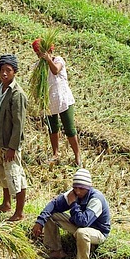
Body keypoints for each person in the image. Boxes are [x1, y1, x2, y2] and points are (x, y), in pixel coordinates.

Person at [30, 169, 111, 259]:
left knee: (82, 232)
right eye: (75, 188)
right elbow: (54, 204)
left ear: (88, 188)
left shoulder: (96, 199)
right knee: (51, 215)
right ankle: (56, 250)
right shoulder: (74, 193)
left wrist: (73, 203)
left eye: (81, 188)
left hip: (97, 232)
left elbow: (83, 222)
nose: (77, 191)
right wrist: (40, 222)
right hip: (81, 225)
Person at [0, 54, 27, 221]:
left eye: (8, 70)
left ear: (15, 72)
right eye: (2, 70)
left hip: (9, 144)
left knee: (16, 176)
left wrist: (12, 147)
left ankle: (19, 212)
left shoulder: (17, 94)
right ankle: (6, 203)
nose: (4, 74)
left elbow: (18, 124)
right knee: (2, 174)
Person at [33, 38, 81, 167]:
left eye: (42, 52)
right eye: (38, 54)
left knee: (70, 129)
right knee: (53, 128)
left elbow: (55, 70)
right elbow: (37, 83)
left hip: (63, 100)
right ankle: (55, 153)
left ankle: (77, 155)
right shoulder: (38, 67)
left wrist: (48, 59)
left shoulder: (58, 60)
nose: (40, 56)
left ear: (49, 50)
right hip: (49, 102)